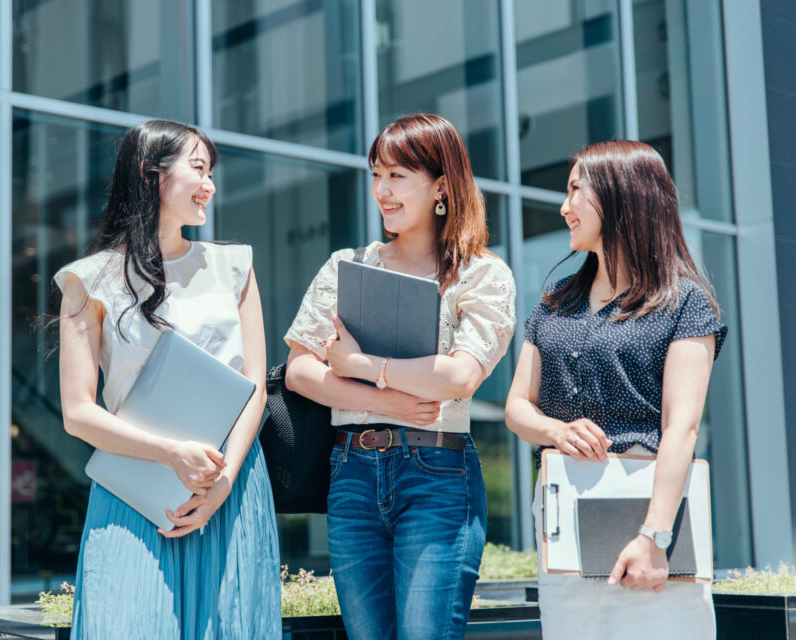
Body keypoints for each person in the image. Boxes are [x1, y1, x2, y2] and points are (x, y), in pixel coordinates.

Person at [283, 113, 516, 640]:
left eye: (397, 176)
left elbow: (460, 376)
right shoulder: (347, 265)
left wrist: (359, 367)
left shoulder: (481, 274)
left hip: (437, 475)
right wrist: (391, 402)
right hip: (351, 474)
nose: (381, 191)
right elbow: (299, 371)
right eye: (376, 175)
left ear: (441, 186)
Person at [54, 119, 280, 639]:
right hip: (134, 489)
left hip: (228, 485)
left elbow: (254, 384)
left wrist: (223, 483)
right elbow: (77, 413)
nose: (210, 185)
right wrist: (171, 453)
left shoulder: (234, 265)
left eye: (211, 172)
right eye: (198, 169)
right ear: (150, 174)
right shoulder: (88, 280)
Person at [505, 140, 726, 640]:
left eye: (575, 191)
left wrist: (655, 536)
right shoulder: (554, 303)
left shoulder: (684, 304)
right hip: (562, 515)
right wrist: (556, 431)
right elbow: (517, 407)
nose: (564, 208)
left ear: (620, 195)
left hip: (645, 512)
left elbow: (681, 428)